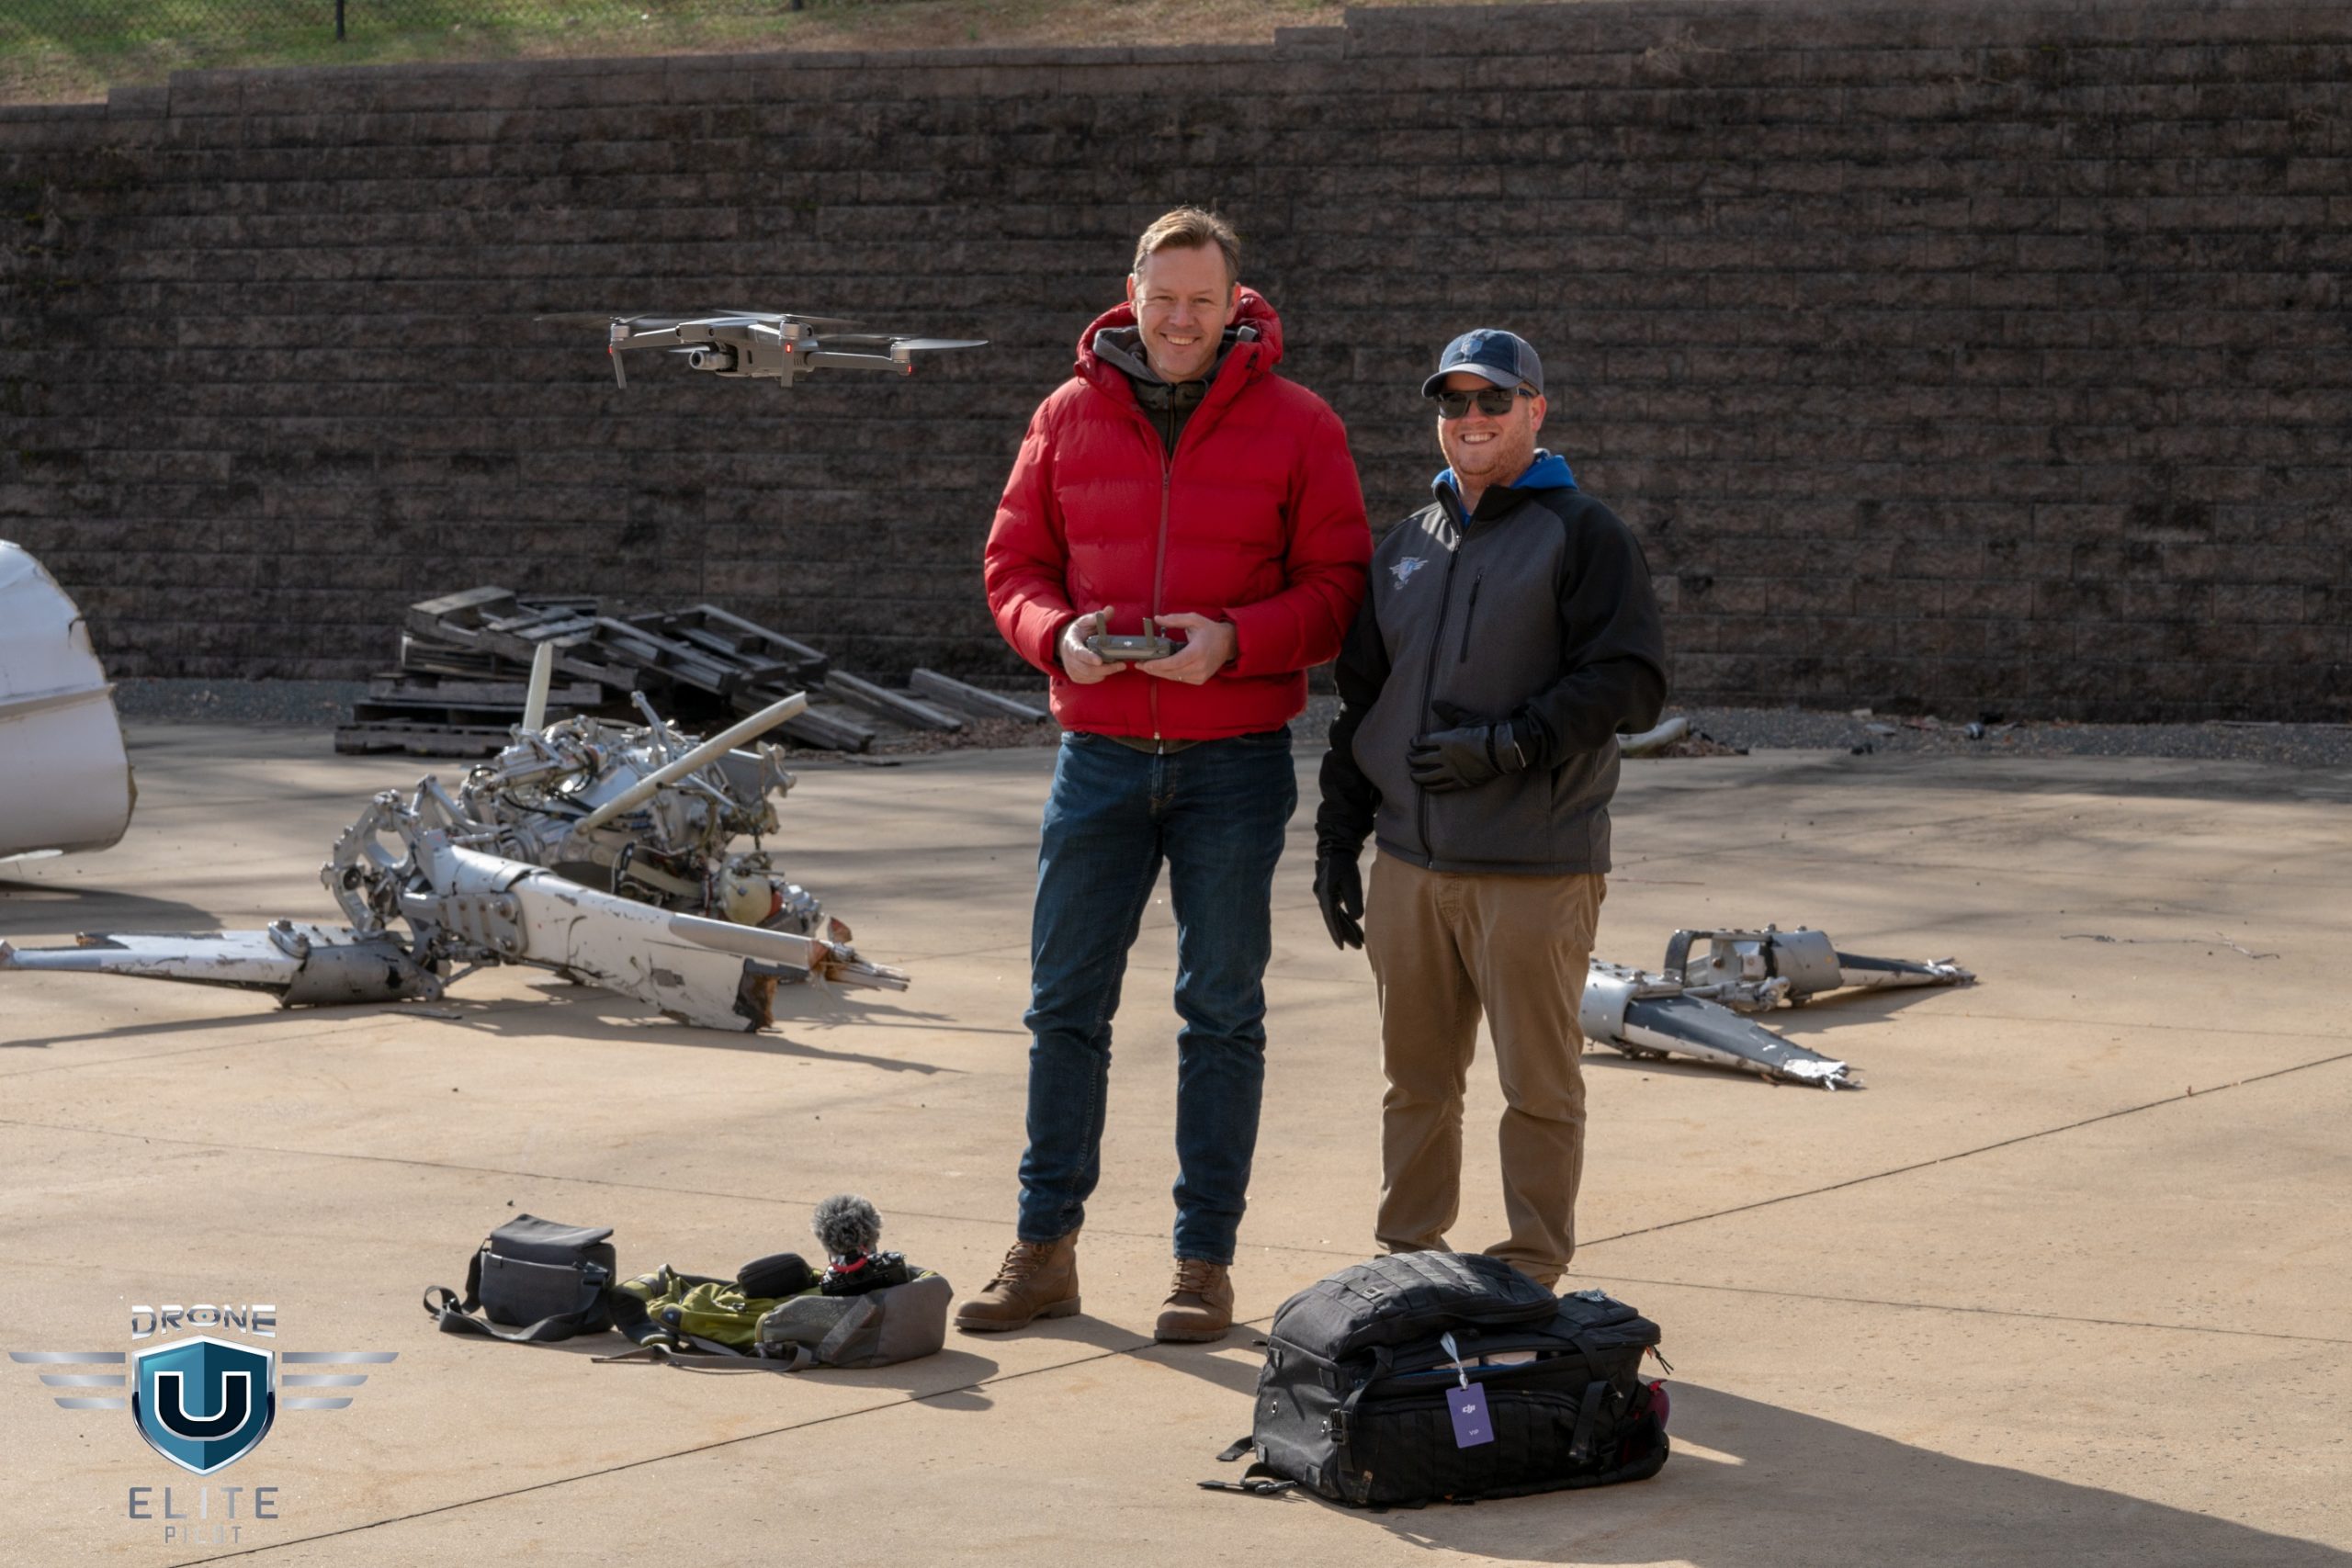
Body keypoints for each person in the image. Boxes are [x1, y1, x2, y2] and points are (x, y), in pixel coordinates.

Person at [963, 208, 1370, 1342]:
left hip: (1232, 761)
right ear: (1131, 294)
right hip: (1096, 757)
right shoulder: (1064, 414)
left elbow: (1339, 588)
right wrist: (1059, 637)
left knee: (1220, 1014)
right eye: (1163, 298)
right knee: (1063, 1008)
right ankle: (1044, 1251)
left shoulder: (1300, 424)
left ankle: (1202, 1266)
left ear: (1236, 305)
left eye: (1202, 300)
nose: (1181, 319)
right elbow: (1012, 565)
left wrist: (1234, 641)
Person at [1312, 328, 1667, 1290]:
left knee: (1537, 1086)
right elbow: (1361, 705)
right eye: (1453, 401)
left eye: (1493, 400)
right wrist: (1338, 838)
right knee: (1415, 1085)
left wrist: (1511, 742)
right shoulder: (1404, 547)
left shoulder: (1582, 533)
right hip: (1409, 867)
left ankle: (1530, 1271)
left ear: (1534, 411)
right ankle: (1405, 1263)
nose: (1471, 418)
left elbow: (1631, 683)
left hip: (1533, 868)